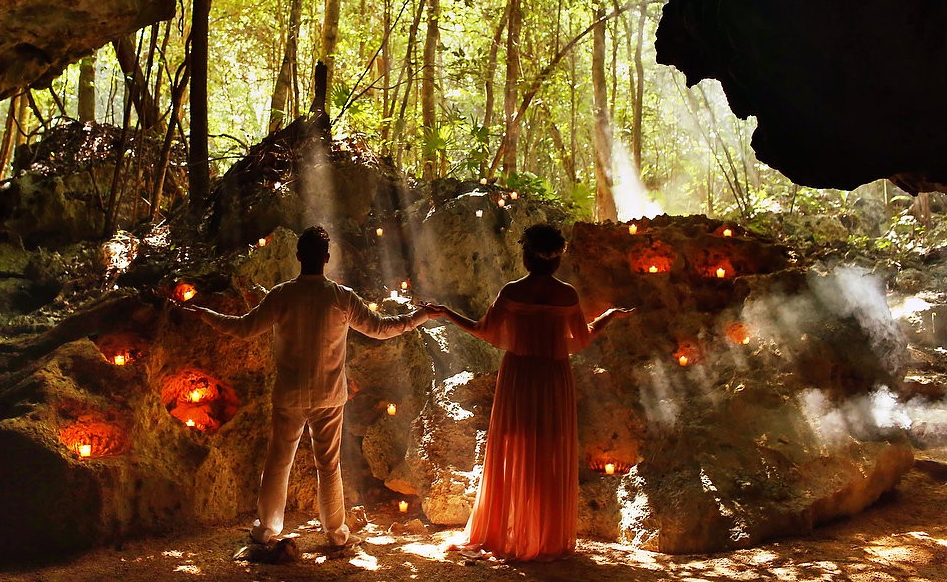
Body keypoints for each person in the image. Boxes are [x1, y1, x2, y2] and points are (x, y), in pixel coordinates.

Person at [181, 225, 431, 548]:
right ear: (327, 259)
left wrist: (206, 314)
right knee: (328, 465)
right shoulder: (341, 298)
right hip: (329, 396)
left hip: (290, 395)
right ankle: (336, 533)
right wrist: (420, 316)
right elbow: (381, 329)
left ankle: (266, 529)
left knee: (278, 462)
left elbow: (243, 329)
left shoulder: (282, 295)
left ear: (298, 256)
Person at [422, 223, 632, 561]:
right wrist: (608, 316)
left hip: (519, 377)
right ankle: (544, 536)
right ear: (557, 259)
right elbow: (581, 339)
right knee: (549, 452)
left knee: (514, 448)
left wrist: (445, 312)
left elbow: (481, 329)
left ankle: (513, 531)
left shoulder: (512, 292)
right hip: (553, 378)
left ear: (526, 255)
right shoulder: (567, 295)